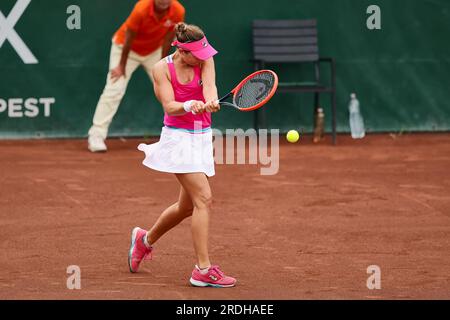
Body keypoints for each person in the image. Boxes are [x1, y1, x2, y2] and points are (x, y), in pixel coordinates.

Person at [127, 22, 237, 288]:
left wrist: (209, 100)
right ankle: (203, 269)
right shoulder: (160, 69)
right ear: (182, 51)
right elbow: (170, 106)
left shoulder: (206, 59)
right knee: (204, 199)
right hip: (177, 139)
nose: (202, 58)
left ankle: (144, 240)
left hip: (202, 137)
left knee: (186, 207)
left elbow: (210, 87)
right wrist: (189, 104)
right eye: (196, 55)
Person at [87, 0, 185, 152]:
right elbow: (129, 38)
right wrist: (121, 66)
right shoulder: (141, 9)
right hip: (125, 49)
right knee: (114, 90)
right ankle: (96, 135)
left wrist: (162, 63)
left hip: (154, 51)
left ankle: (182, 135)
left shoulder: (178, 10)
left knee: (170, 90)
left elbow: (168, 38)